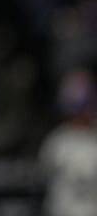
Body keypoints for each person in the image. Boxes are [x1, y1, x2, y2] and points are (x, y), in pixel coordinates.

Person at [38, 67, 97, 216]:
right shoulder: (57, 142)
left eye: (84, 110)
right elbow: (44, 176)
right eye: (76, 111)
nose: (80, 116)